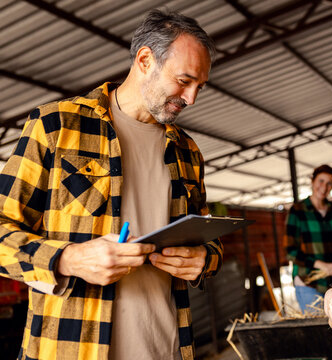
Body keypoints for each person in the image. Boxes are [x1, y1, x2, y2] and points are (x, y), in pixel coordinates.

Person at [0, 9, 222, 360]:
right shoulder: (56, 126)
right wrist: (67, 259)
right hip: (71, 349)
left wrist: (204, 260)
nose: (191, 98)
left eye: (199, 86)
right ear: (145, 59)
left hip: (168, 348)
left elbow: (207, 239)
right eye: (184, 80)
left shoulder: (187, 151)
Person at [284, 164, 332, 312]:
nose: (324, 187)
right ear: (312, 181)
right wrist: (320, 264)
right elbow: (290, 251)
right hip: (309, 281)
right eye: (321, 181)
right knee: (319, 329)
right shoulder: (297, 211)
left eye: (329, 183)